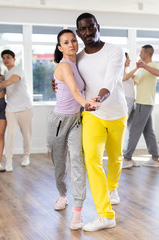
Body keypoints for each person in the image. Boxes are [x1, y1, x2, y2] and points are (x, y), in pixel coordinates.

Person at [53, 13, 128, 231]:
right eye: (82, 30)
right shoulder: (80, 57)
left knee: (115, 157)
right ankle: (105, 215)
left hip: (116, 113)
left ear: (98, 27)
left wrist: (100, 98)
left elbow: (112, 79)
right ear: (78, 33)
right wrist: (55, 82)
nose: (87, 33)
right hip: (92, 115)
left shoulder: (114, 50)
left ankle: (112, 187)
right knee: (92, 161)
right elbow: (68, 76)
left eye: (91, 28)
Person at [47, 29, 100, 230]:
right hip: (59, 121)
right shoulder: (63, 66)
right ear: (60, 48)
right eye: (66, 42)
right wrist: (85, 102)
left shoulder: (79, 61)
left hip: (77, 120)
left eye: (73, 41)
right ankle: (62, 195)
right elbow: (75, 91)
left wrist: (85, 103)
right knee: (59, 165)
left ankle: (77, 212)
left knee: (78, 160)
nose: (72, 44)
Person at [0, 50, 33, 172]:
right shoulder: (5, 75)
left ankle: (26, 156)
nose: (6, 60)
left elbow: (11, 81)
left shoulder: (18, 71)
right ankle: (8, 161)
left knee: (26, 134)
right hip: (10, 109)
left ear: (14, 59)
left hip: (25, 108)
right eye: (3, 58)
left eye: (8, 57)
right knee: (10, 135)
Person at [123, 45, 159, 169]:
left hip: (144, 103)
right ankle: (155, 158)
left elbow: (158, 73)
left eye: (141, 52)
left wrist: (143, 66)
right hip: (144, 103)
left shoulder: (153, 66)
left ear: (147, 53)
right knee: (148, 131)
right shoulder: (143, 69)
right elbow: (134, 81)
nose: (139, 54)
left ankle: (127, 158)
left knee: (134, 130)